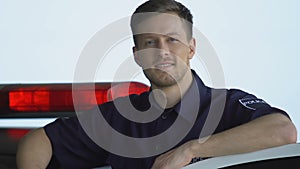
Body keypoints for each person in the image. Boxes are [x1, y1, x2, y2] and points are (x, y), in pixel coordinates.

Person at [16, 0, 297, 169]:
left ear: (191, 48)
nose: (162, 51)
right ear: (137, 54)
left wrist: (191, 150)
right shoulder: (117, 118)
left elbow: (283, 132)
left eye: (172, 40)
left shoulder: (227, 106)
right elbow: (38, 141)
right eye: (150, 42)